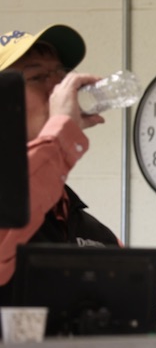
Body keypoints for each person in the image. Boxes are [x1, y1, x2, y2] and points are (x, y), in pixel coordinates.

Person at [0, 25, 119, 301]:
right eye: (38, 76)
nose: (58, 89)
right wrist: (61, 135)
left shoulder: (86, 227)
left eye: (61, 75)